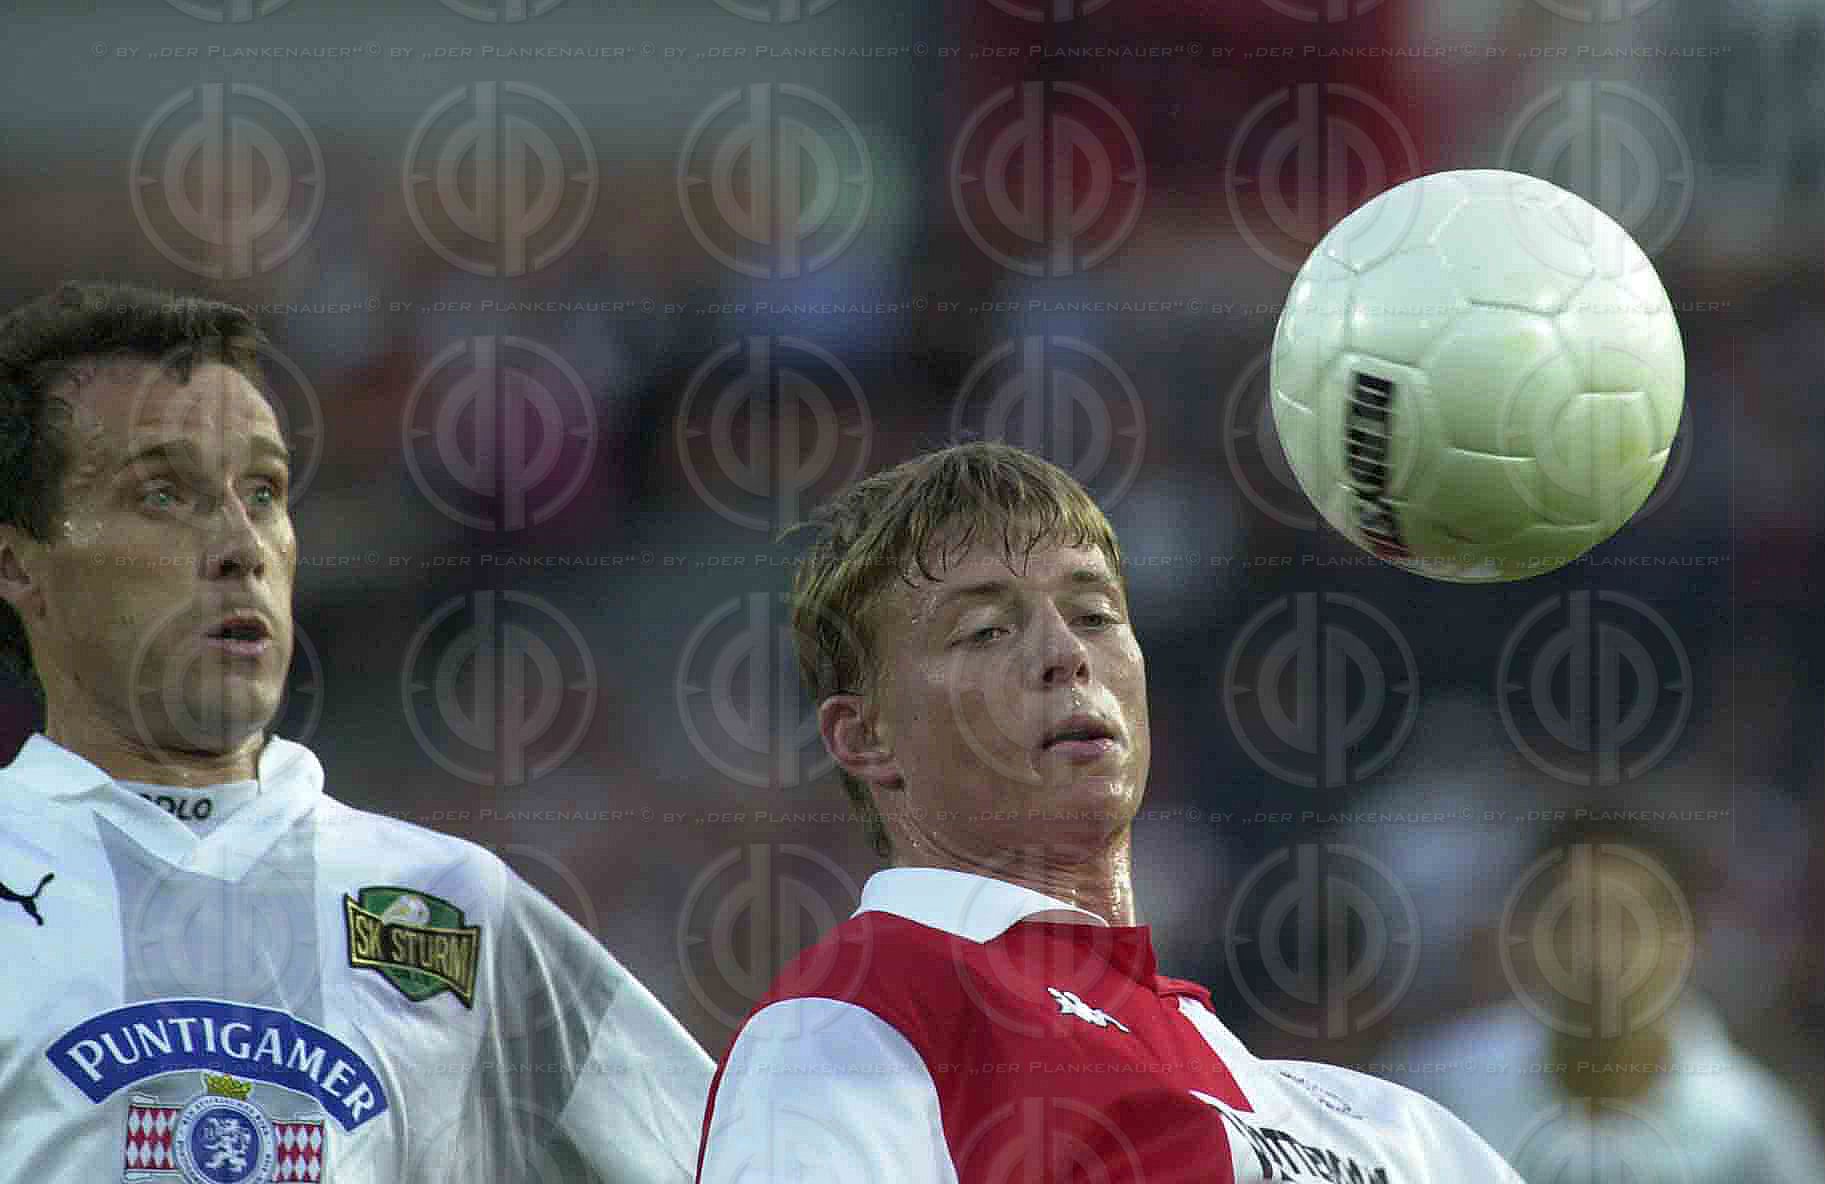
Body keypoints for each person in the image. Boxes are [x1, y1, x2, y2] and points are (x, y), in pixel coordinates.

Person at [0, 281, 712, 1182]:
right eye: (163, 494)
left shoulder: (453, 903)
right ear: (19, 565)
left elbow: (733, 1163)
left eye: (262, 490)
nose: (240, 544)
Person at [695, 440, 1525, 1182]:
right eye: (985, 631)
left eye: (1095, 615)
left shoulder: (1378, 1125)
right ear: (867, 736)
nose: (1065, 654)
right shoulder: (856, 1021)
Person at [1376, 815, 1825, 1183]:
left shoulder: (1754, 1132)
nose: (1600, 953)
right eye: (1574, 919)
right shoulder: (1433, 1093)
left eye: (1630, 923)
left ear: (1686, 937)